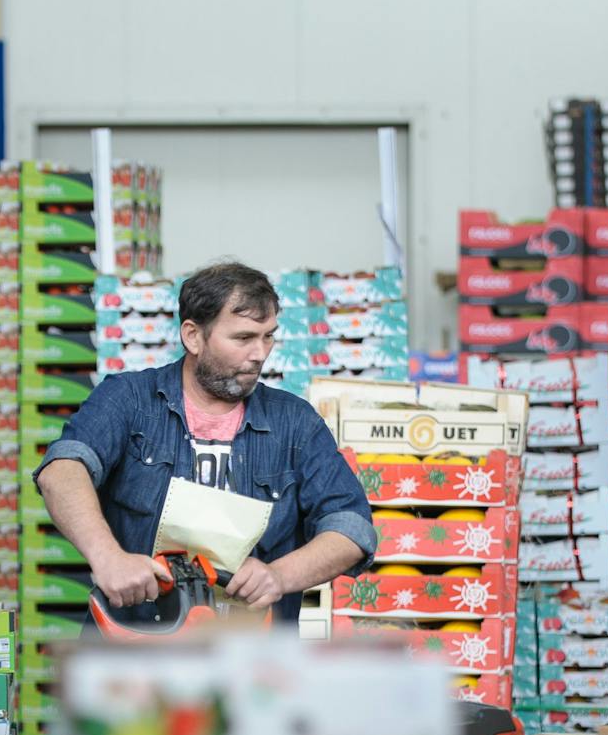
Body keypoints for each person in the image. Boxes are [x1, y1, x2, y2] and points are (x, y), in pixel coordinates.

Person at [33, 260, 377, 622]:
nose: (260, 353)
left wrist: (279, 575)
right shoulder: (128, 399)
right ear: (193, 336)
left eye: (269, 336)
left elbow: (351, 528)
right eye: (243, 338)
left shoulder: (295, 423)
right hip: (135, 648)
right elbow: (62, 471)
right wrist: (107, 557)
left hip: (252, 657)